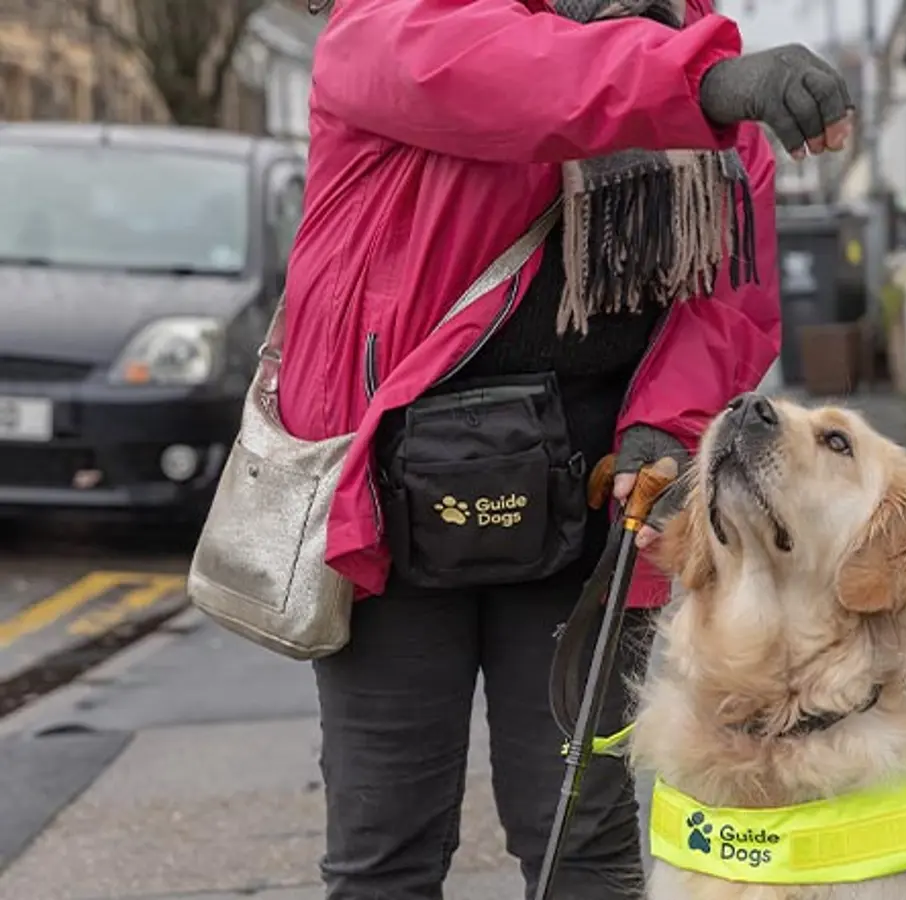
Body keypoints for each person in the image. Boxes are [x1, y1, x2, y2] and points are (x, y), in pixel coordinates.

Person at [276, 1, 852, 898]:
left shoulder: (691, 44)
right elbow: (500, 78)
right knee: (384, 847)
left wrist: (666, 426)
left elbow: (729, 292)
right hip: (388, 502)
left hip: (590, 507)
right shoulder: (392, 17)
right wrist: (697, 80)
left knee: (580, 841)